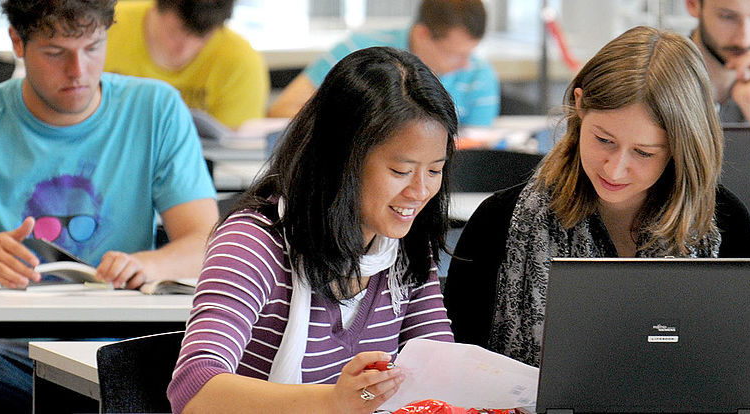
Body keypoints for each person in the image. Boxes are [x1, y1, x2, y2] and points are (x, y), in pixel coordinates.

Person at [0, 0, 219, 411]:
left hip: (118, 353)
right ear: (17, 41)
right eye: (55, 52)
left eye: (93, 47)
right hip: (3, 353)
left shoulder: (155, 109)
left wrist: (150, 265)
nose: (79, 71)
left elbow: (205, 245)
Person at [443, 26, 750, 366]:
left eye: (644, 153)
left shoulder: (726, 221)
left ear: (680, 149)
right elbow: (458, 367)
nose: (615, 169)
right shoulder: (498, 221)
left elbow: (749, 362)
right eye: (604, 140)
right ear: (579, 105)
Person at [168, 46, 457, 413]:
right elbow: (195, 392)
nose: (419, 192)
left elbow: (443, 374)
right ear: (342, 159)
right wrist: (333, 401)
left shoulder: (404, 243)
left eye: (435, 171)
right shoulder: (254, 243)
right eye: (400, 171)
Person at [267, 0, 499, 127]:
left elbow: (474, 147)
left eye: (470, 52)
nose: (466, 64)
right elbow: (281, 110)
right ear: (422, 35)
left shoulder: (480, 74)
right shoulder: (359, 52)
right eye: (454, 53)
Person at [105, 0, 268, 130]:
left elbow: (234, 148)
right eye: (174, 33)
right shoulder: (107, 27)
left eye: (201, 37)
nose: (184, 49)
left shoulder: (241, 60)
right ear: (156, 9)